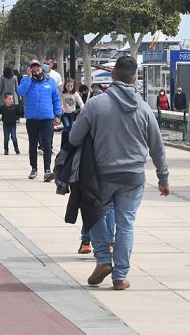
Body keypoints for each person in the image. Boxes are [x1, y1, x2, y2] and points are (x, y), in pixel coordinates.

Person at [69, 55, 170, 291]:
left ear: (112, 76)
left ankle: (103, 259)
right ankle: (120, 276)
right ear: (135, 79)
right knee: (126, 225)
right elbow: (157, 147)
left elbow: (74, 137)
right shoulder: (144, 109)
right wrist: (163, 178)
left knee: (93, 214)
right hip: (133, 177)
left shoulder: (96, 104)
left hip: (101, 175)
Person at [18, 59, 62, 182]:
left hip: (47, 119)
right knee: (33, 144)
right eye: (33, 68)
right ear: (30, 69)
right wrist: (28, 78)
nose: (36, 70)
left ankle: (47, 170)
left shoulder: (50, 82)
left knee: (47, 144)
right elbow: (20, 92)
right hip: (32, 119)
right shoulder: (26, 81)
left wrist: (57, 115)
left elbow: (56, 99)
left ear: (41, 68)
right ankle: (34, 168)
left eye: (37, 67)